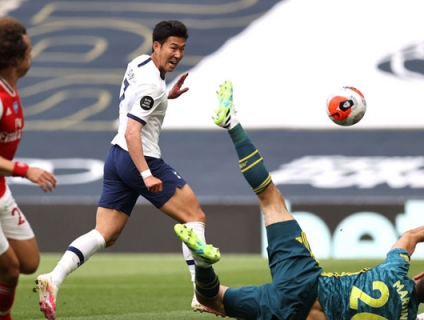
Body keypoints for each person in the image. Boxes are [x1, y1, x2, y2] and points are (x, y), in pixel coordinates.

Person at [174, 80, 424, 320]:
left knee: (270, 199)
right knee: (212, 300)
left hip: (304, 280)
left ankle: (232, 124)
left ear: (420, 274)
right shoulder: (405, 316)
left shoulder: (396, 271)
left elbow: (412, 236)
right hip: (285, 312)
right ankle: (202, 265)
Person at [35, 20, 221, 320]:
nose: (178, 55)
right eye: (173, 47)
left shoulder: (140, 64)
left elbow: (139, 102)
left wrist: (165, 97)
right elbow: (135, 130)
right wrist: (146, 173)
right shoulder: (152, 85)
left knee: (105, 234)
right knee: (195, 217)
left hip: (115, 156)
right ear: (157, 45)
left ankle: (53, 279)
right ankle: (202, 294)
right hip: (139, 158)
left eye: (182, 49)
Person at [0, 17, 57, 320]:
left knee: (28, 261)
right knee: (9, 268)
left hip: (0, 193)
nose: (32, 58)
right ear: (17, 59)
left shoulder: (10, 88)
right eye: (30, 52)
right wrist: (25, 170)